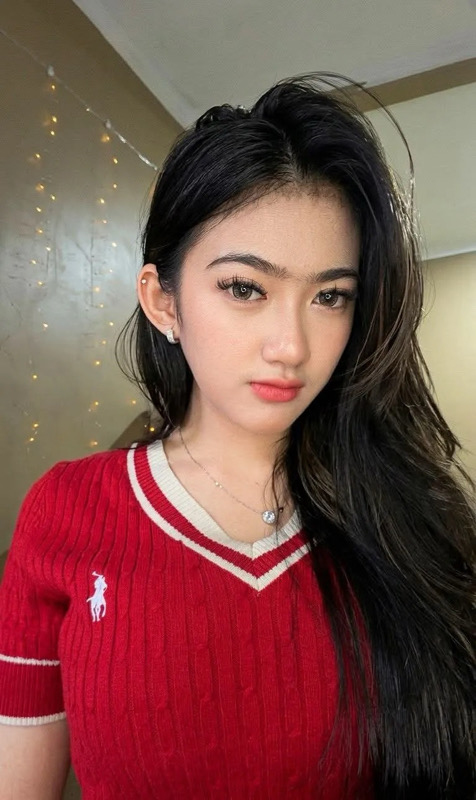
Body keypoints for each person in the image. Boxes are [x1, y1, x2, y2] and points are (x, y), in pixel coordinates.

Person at [0, 73, 474, 800]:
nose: (292, 345)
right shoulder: (66, 510)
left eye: (330, 296)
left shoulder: (414, 516)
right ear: (163, 301)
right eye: (245, 288)